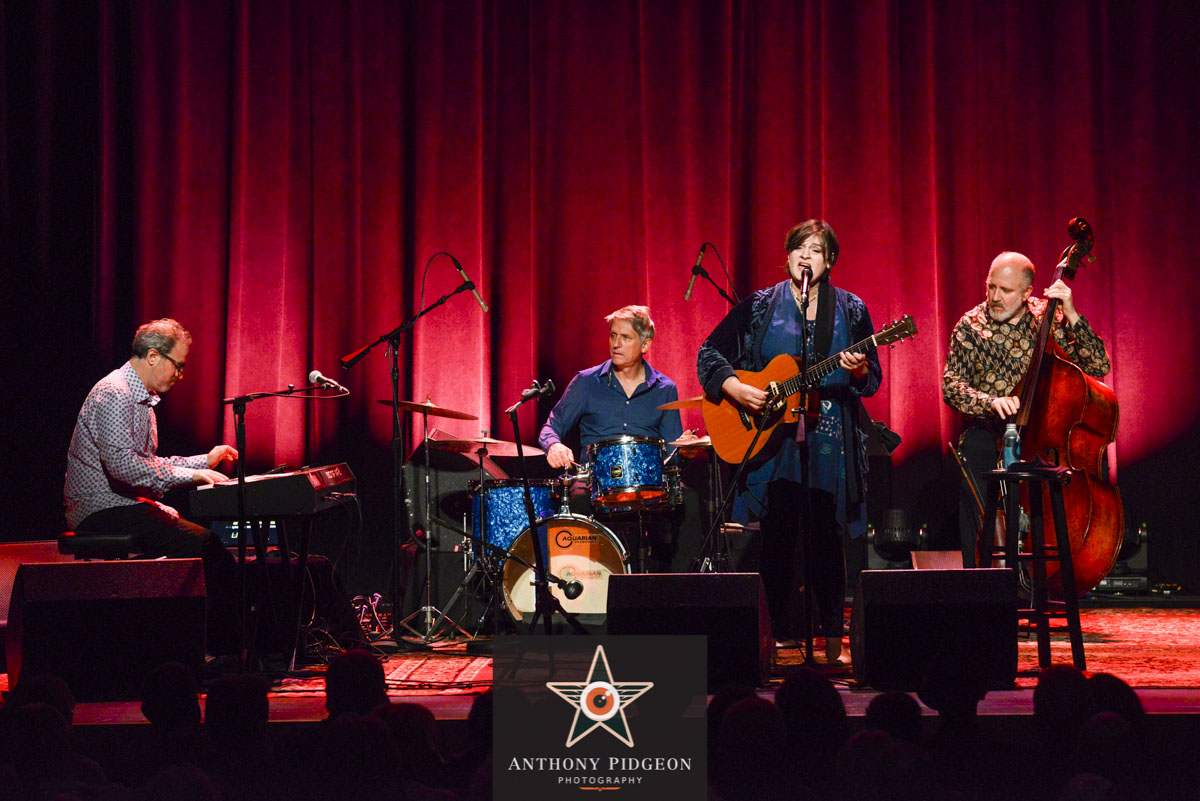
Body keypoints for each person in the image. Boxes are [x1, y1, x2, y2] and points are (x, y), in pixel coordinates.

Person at [697, 219, 880, 663]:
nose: (805, 256)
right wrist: (734, 387)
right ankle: (775, 639)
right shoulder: (760, 305)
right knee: (776, 540)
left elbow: (872, 379)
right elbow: (709, 352)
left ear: (830, 261)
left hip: (828, 441)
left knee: (827, 540)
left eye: (816, 250)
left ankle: (834, 641)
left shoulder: (851, 309)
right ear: (787, 256)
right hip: (772, 441)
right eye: (799, 247)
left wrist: (858, 371)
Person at [63, 318, 240, 648]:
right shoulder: (114, 394)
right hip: (99, 511)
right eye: (178, 365)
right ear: (155, 356)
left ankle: (196, 644)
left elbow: (148, 464)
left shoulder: (141, 399)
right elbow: (123, 468)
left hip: (124, 506)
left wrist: (205, 460)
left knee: (202, 543)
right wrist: (191, 476)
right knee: (206, 546)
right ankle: (223, 648)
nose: (181, 375)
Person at [943, 251, 1110, 566]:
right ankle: (978, 578)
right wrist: (990, 402)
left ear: (1026, 292)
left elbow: (1098, 364)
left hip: (1042, 437)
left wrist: (1072, 314)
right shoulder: (969, 326)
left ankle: (1046, 573)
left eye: (1004, 291)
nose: (994, 297)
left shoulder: (1048, 317)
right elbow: (952, 386)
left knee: (1052, 480)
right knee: (974, 464)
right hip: (987, 431)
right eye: (990, 287)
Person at [538, 305, 685, 570]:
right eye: (613, 336)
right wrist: (554, 445)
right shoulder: (586, 382)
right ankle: (582, 588)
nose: (616, 344)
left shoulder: (666, 389)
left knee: (689, 503)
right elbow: (551, 428)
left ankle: (678, 592)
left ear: (645, 344)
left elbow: (673, 453)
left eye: (625, 338)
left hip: (649, 487)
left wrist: (686, 450)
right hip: (594, 484)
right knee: (576, 503)